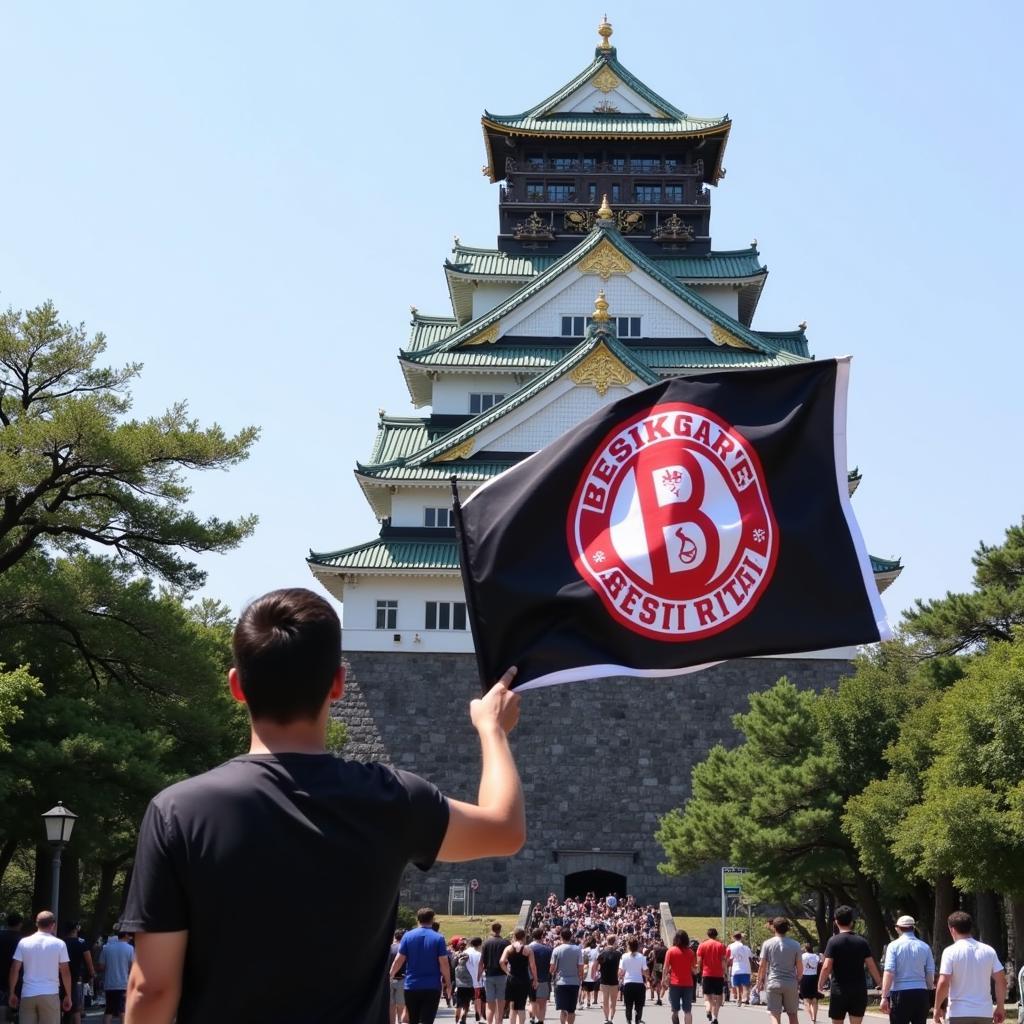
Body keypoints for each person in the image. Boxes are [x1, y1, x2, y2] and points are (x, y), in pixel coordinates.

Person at [119, 588, 525, 1023]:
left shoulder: (177, 811)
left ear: (237, 685)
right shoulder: (391, 798)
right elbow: (504, 828)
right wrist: (492, 730)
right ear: (337, 683)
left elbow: (152, 988)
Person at [933, 911, 1005, 1024]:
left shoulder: (950, 952)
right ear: (970, 928)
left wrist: (937, 1008)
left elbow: (943, 982)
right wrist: (1000, 1007)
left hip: (958, 1012)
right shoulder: (989, 951)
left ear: (952, 929)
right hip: (984, 1012)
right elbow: (1001, 980)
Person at [817, 907, 881, 1024]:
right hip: (858, 990)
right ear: (852, 922)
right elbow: (871, 965)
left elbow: (826, 967)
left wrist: (820, 984)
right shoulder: (862, 942)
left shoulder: (833, 941)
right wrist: (880, 983)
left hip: (839, 990)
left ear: (836, 921)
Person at [7, 910, 72, 1023]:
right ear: (53, 925)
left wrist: (12, 992)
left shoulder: (24, 942)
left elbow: (14, 969)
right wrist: (68, 995)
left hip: (28, 994)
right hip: (50, 993)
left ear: (37, 924)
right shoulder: (59, 944)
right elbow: (65, 972)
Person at [389, 908, 450, 1024]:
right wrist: (448, 983)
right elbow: (444, 963)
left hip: (412, 985)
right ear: (432, 920)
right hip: (432, 986)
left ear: (418, 919)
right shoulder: (439, 938)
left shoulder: (407, 936)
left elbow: (399, 959)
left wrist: (390, 975)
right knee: (428, 1020)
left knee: (413, 1019)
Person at [879, 915, 934, 1024]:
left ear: (897, 928)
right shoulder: (925, 947)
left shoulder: (893, 946)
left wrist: (884, 996)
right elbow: (930, 972)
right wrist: (928, 990)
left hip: (900, 992)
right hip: (920, 992)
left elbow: (889, 971)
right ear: (913, 928)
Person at [755, 917, 802, 1024]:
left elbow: (762, 965)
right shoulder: (795, 944)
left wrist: (759, 981)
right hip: (790, 982)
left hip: (773, 981)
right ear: (787, 928)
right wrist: (798, 980)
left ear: (774, 927)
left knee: (774, 1014)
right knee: (793, 1014)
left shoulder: (767, 943)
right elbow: (800, 966)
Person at [499, 928, 537, 1024]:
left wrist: (507, 972)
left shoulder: (508, 948)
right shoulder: (528, 950)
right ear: (524, 937)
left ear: (514, 936)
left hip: (512, 978)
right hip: (524, 978)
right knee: (521, 1005)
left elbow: (501, 961)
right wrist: (535, 979)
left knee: (512, 1006)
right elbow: (532, 965)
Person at [98, 931, 134, 1024]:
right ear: (126, 935)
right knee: (123, 1011)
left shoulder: (107, 948)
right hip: (123, 984)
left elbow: (101, 966)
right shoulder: (130, 948)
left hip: (109, 984)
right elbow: (133, 967)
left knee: (109, 1010)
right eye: (129, 935)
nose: (130, 937)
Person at [63, 922, 95, 1024]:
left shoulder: (61, 942)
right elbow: (88, 960)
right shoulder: (81, 942)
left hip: (61, 977)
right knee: (76, 1007)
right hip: (77, 976)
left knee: (62, 1002)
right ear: (76, 929)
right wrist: (92, 973)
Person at [550, 927, 584, 1024]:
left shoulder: (556, 950)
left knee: (563, 1009)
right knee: (571, 1010)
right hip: (574, 982)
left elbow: (552, 968)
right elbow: (580, 967)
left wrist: (553, 973)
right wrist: (580, 977)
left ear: (561, 937)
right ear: (571, 936)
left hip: (561, 982)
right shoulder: (577, 950)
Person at [480, 921, 511, 1024]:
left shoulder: (486, 943)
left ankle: (489, 1022)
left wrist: (479, 974)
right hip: (502, 974)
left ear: (492, 929)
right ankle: (499, 1022)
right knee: (500, 1002)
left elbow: (481, 961)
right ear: (500, 930)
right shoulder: (505, 943)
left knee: (490, 1003)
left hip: (489, 975)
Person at [664, 930, 697, 1024]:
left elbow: (665, 967)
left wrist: (663, 980)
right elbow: (694, 970)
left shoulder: (670, 951)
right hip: (688, 984)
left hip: (674, 984)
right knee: (688, 1011)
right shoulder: (691, 952)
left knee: (674, 1010)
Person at [696, 928, 728, 1024]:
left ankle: (708, 1009)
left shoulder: (702, 945)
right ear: (716, 935)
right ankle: (715, 1017)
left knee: (707, 996)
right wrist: (725, 972)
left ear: (708, 934)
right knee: (718, 997)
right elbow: (723, 961)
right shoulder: (721, 945)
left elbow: (699, 960)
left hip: (707, 973)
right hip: (718, 975)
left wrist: (698, 970)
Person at [619, 937, 649, 1024]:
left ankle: (628, 1020)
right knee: (639, 1005)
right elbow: (645, 971)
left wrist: (620, 977)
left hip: (628, 983)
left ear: (628, 946)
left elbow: (621, 972)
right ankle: (638, 1019)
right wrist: (647, 977)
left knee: (628, 1005)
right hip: (639, 983)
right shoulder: (642, 957)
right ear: (638, 946)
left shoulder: (624, 956)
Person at [0, 913, 24, 1022]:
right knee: (17, 1012)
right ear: (20, 924)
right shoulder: (24, 940)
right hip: (19, 979)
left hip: (1, 978)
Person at [529, 926, 553, 1024]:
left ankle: (532, 1016)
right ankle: (541, 1020)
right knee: (542, 1003)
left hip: (529, 979)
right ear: (542, 936)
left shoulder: (527, 948)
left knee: (532, 1001)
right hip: (543, 978)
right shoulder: (548, 949)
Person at [597, 935, 622, 1023]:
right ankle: (611, 1018)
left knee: (605, 1000)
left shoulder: (602, 953)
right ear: (614, 942)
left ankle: (606, 1018)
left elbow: (597, 966)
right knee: (613, 1001)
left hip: (604, 979)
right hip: (614, 980)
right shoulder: (618, 954)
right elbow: (620, 968)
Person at [727, 931, 753, 1006]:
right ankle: (747, 998)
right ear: (741, 937)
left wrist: (728, 965)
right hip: (746, 968)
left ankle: (739, 998)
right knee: (746, 984)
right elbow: (750, 958)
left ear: (733, 937)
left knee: (738, 985)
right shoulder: (746, 947)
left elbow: (729, 958)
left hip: (736, 968)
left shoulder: (731, 946)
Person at [454, 940, 477, 1024]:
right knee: (466, 1004)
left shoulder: (457, 962)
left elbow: (452, 970)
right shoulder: (470, 962)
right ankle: (463, 1018)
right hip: (469, 985)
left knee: (458, 1005)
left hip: (459, 986)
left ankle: (456, 1021)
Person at [799, 944, 821, 1023]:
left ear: (805, 949)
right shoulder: (816, 956)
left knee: (806, 1000)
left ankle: (811, 1016)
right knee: (814, 999)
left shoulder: (803, 956)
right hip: (814, 978)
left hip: (805, 977)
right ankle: (814, 1017)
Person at [388, 929, 407, 1024]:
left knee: (391, 1005)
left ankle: (392, 1022)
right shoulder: (405, 948)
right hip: (402, 979)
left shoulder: (389, 948)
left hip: (390, 979)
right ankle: (400, 1021)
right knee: (401, 1004)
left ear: (395, 937)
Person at [466, 936, 484, 1023]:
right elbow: (482, 967)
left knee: (465, 999)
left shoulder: (465, 952)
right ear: (480, 944)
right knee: (477, 999)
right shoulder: (479, 954)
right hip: (476, 980)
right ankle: (478, 1016)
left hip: (464, 981)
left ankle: (462, 1017)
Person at [647, 938, 666, 1006]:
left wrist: (648, 963)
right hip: (664, 965)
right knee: (660, 981)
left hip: (658, 965)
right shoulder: (666, 949)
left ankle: (658, 998)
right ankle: (659, 996)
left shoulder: (656, 950)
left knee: (657, 981)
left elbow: (653, 959)